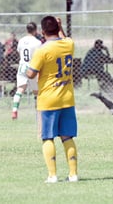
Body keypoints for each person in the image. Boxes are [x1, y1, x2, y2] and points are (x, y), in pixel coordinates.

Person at [26, 16, 78, 183]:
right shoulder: (69, 44)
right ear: (58, 28)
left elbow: (31, 73)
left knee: (47, 137)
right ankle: (73, 174)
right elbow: (64, 38)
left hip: (48, 100)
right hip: (67, 99)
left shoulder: (42, 50)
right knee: (67, 137)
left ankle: (52, 176)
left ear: (42, 32)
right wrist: (61, 27)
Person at [11, 22, 43, 120]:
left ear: (27, 30)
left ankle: (14, 110)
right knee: (37, 92)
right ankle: (38, 113)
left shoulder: (21, 40)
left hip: (22, 66)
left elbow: (19, 51)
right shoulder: (37, 42)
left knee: (20, 90)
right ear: (35, 30)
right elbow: (39, 55)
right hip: (32, 67)